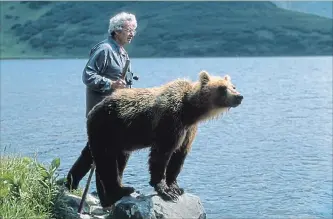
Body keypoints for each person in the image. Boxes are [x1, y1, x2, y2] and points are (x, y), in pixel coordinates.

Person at [65, 12, 138, 193]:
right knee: (109, 149)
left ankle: (73, 183)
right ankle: (109, 190)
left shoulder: (122, 53)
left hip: (116, 112)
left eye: (134, 30)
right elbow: (87, 75)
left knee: (97, 150)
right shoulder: (104, 49)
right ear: (117, 30)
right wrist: (110, 84)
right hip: (101, 112)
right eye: (130, 30)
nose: (133, 34)